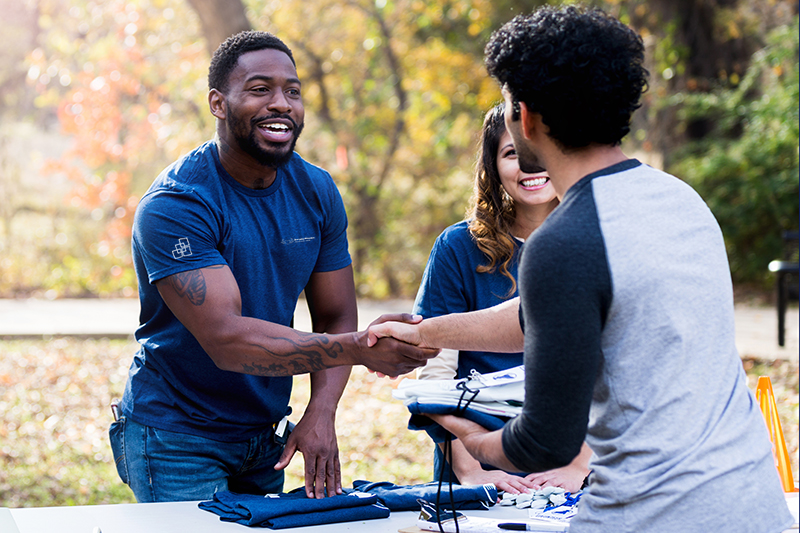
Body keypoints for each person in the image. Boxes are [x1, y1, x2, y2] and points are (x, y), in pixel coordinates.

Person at [369, 6, 793, 533]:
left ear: (526, 117)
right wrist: (425, 332)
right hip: (754, 501)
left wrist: (472, 440)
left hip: (653, 515)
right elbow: (540, 313)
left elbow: (545, 440)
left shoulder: (564, 242)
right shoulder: (679, 199)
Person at [109, 30, 437, 504]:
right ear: (218, 104)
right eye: (260, 89)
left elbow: (335, 314)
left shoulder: (316, 190)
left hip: (265, 435)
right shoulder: (177, 204)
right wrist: (360, 349)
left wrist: (321, 411)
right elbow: (227, 340)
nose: (281, 103)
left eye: (293, 90)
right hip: (176, 435)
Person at [414, 103, 590, 494]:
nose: (530, 166)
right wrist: (471, 471)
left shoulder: (595, 240)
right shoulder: (457, 247)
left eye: (540, 151)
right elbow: (437, 374)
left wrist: (582, 466)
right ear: (492, 166)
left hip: (573, 469)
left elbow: (613, 370)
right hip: (478, 467)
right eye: (513, 153)